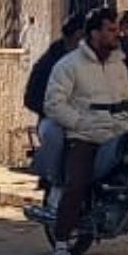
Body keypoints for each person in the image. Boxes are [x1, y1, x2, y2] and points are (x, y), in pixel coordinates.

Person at [43, 8, 128, 255]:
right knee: (76, 184)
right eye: (110, 30)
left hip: (118, 133)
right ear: (94, 33)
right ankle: (61, 247)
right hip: (84, 137)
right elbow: (54, 103)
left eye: (117, 29)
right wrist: (81, 123)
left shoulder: (119, 64)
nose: (116, 34)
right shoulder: (69, 65)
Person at [25, 13, 84, 183]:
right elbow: (31, 98)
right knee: (54, 134)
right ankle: (53, 180)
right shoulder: (49, 63)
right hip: (54, 119)